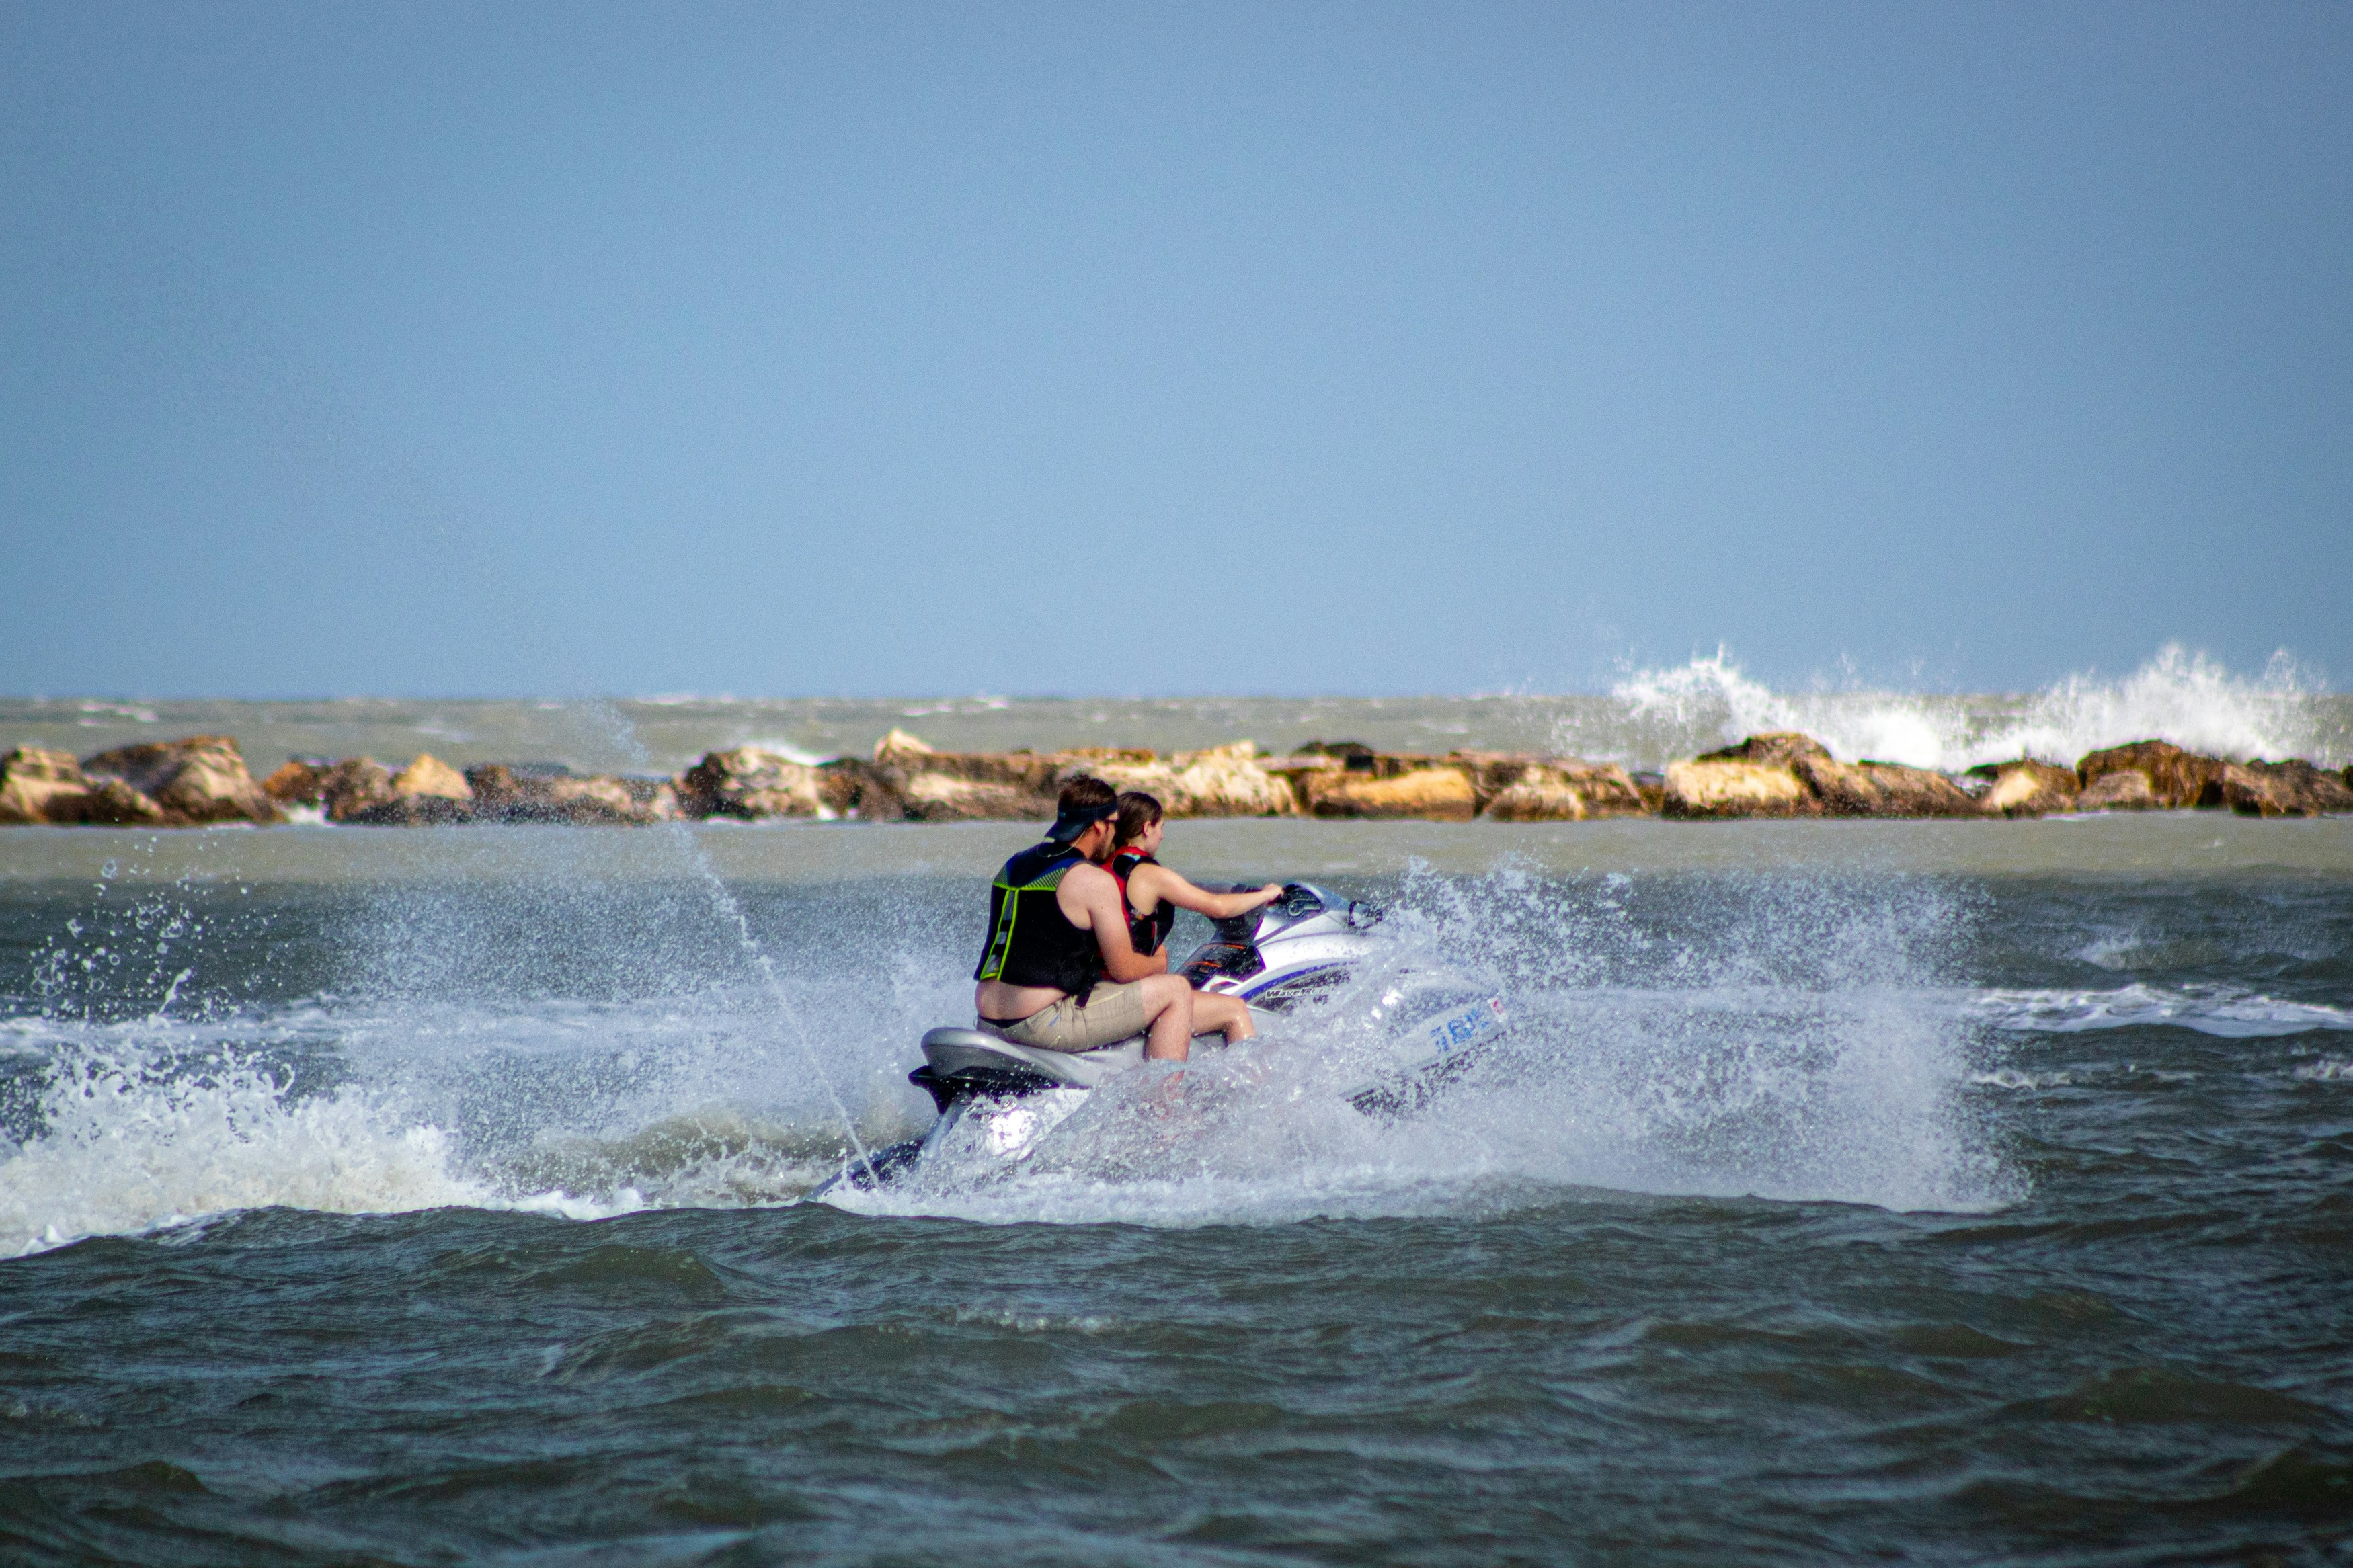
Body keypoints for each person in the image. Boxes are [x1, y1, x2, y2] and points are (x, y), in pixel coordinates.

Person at [972, 776, 1199, 1061]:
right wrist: (1159, 962)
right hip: (1038, 1024)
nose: (1116, 834)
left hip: (986, 1019)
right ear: (1099, 826)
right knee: (1177, 990)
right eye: (1114, 824)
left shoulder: (1014, 864)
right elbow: (1124, 969)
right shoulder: (1092, 880)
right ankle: (1164, 1102)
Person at [1108, 790, 1285, 1044]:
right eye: (1161, 827)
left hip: (1110, 984)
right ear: (1147, 828)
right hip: (1133, 992)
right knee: (1235, 1010)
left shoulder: (1106, 864)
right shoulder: (1149, 874)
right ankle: (1250, 1084)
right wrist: (1265, 895)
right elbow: (1218, 907)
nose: (1163, 835)